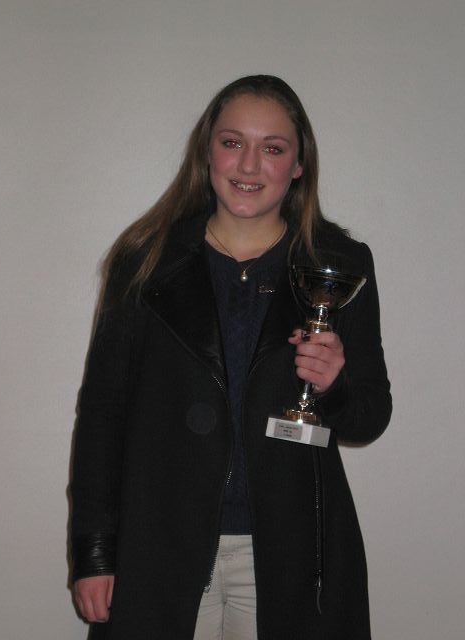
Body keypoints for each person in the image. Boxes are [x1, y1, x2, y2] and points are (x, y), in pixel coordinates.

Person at [70, 74, 392, 640]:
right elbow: (102, 414)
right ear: (207, 151)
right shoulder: (144, 260)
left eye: (273, 148)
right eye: (232, 142)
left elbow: (369, 417)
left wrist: (334, 385)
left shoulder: (340, 263)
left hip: (291, 558)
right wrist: (95, 552)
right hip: (160, 549)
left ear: (298, 165)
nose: (248, 165)